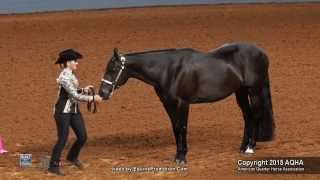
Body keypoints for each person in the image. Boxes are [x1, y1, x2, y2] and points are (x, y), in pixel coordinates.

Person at [48, 49, 102, 176]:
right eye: (74, 61)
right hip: (63, 112)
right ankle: (53, 166)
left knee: (82, 136)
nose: (77, 63)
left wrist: (83, 89)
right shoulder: (64, 76)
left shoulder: (70, 74)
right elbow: (74, 95)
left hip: (73, 110)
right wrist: (92, 98)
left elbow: (73, 91)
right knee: (63, 139)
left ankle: (72, 156)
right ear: (67, 62)